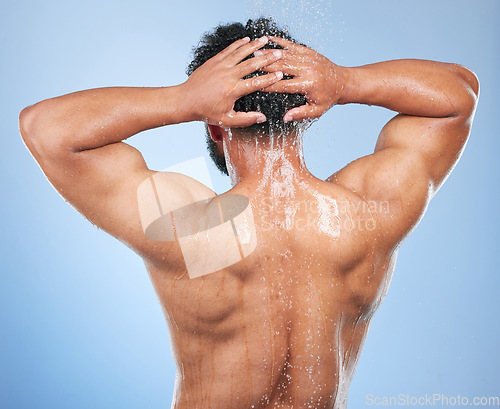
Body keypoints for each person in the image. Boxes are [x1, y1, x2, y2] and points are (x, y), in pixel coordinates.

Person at [19, 17, 478, 409]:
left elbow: (46, 128)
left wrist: (182, 99)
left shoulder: (192, 226)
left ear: (215, 127)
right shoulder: (364, 213)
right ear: (304, 109)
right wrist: (345, 81)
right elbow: (457, 98)